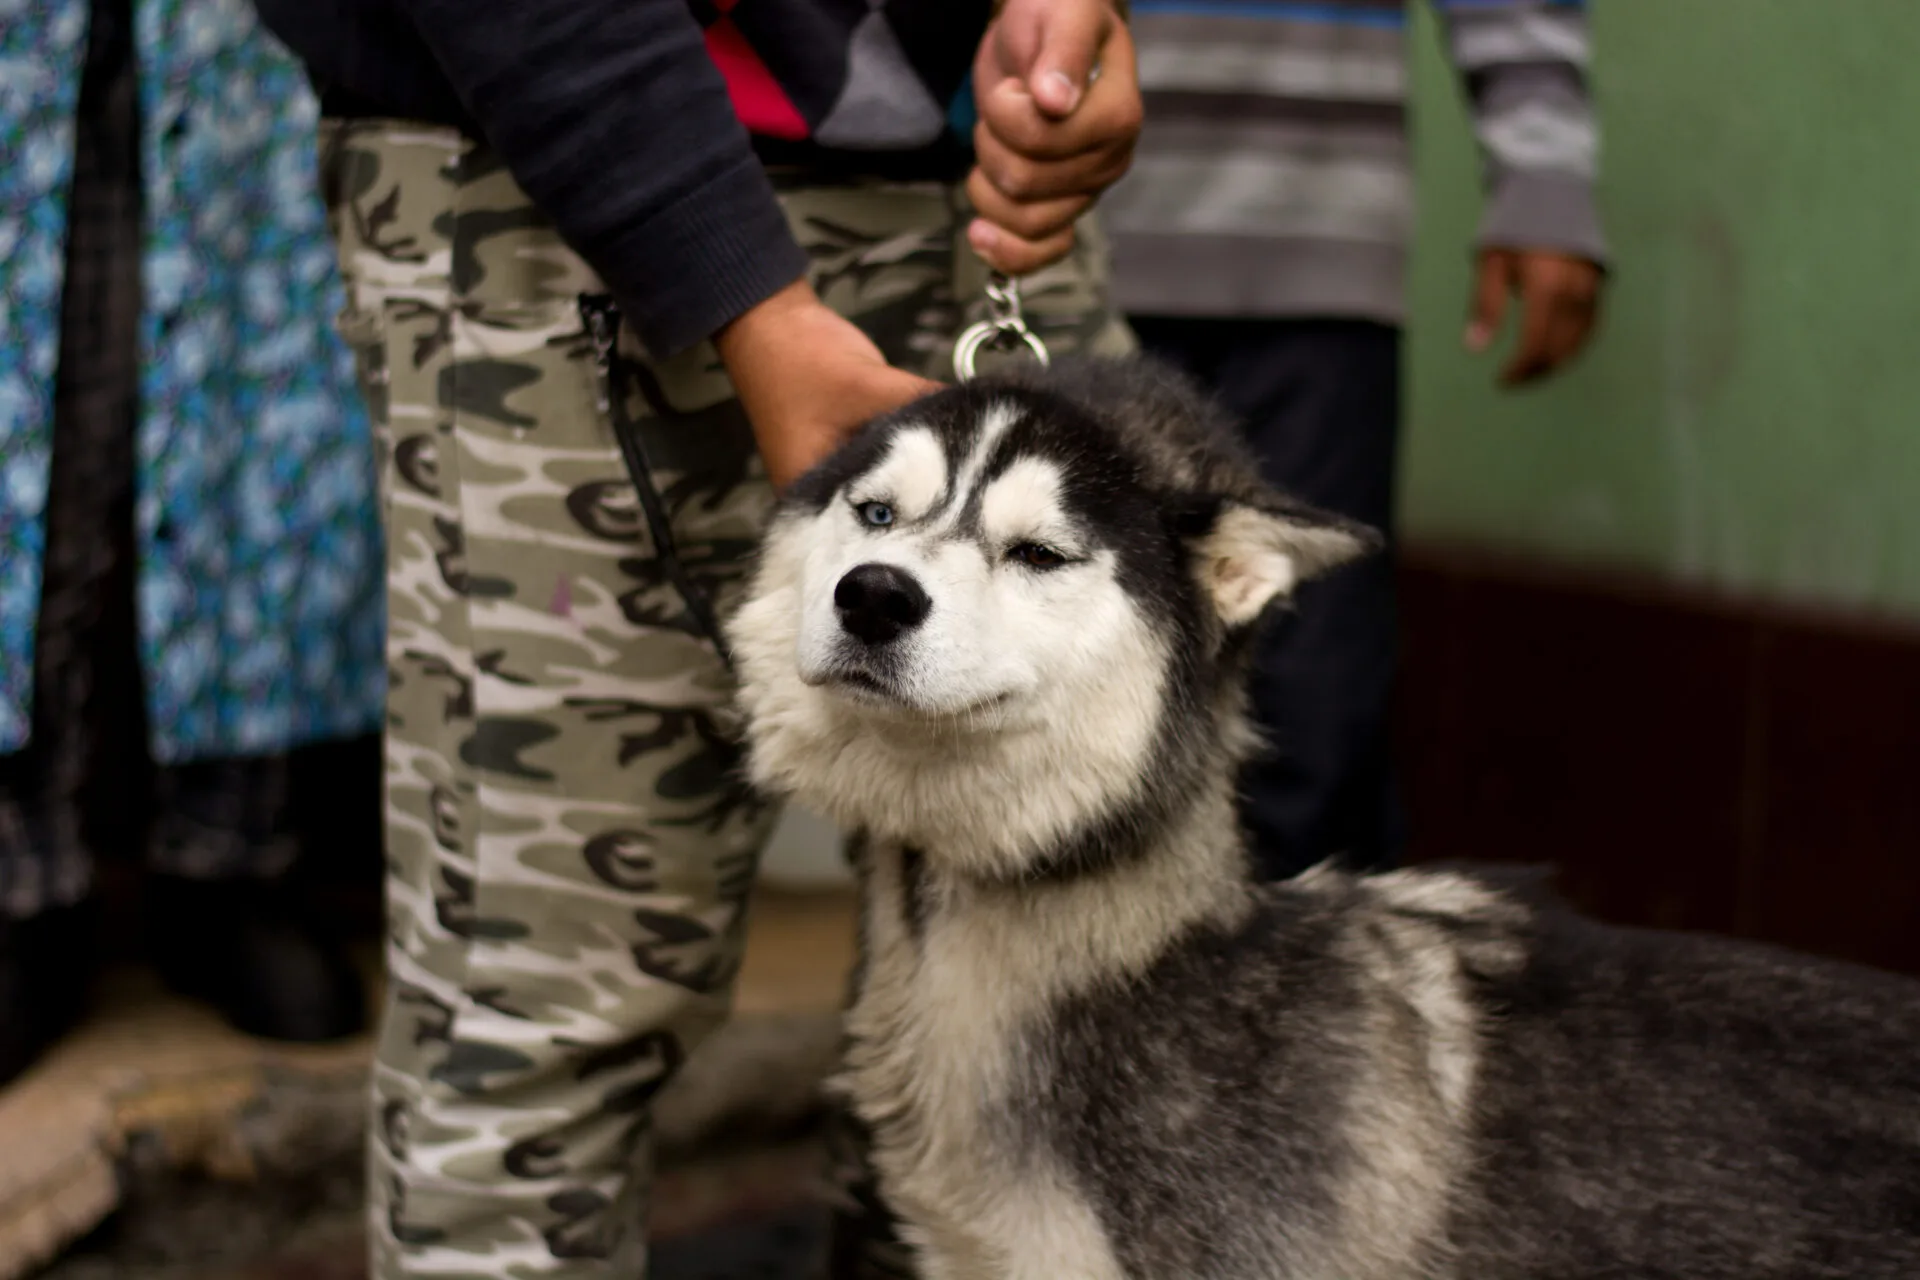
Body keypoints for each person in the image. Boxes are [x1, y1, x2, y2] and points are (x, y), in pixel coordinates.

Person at [252, 1, 1141, 1276]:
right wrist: (745, 300)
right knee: (548, 1001)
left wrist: (1071, 22)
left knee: (1031, 976)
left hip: (991, 202)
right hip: (571, 178)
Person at [1103, 0, 1608, 881]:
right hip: (1058, 217)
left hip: (1320, 231)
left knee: (1315, 690)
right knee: (1064, 658)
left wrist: (1545, 176)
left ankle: (1303, 999)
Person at [0, 0, 381, 1085]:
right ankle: (21, 883)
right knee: (31, 450)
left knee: (253, 425)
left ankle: (233, 859)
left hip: (242, 50)